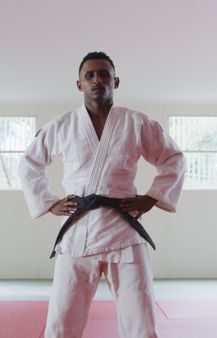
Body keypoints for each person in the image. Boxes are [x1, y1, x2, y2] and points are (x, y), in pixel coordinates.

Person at [19, 51, 185, 338]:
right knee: (62, 319)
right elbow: (30, 163)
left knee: (141, 321)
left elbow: (173, 158)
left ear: (115, 81)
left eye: (104, 74)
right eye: (90, 75)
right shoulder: (62, 125)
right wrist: (47, 202)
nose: (97, 80)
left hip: (123, 228)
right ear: (79, 84)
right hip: (78, 230)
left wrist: (154, 196)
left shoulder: (137, 122)